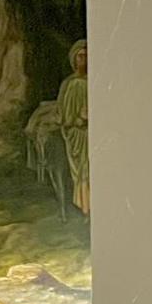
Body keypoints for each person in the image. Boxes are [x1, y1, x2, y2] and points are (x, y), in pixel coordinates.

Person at [57, 40, 90, 216]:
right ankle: (85, 208)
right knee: (83, 171)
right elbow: (64, 114)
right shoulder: (70, 84)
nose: (83, 60)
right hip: (77, 134)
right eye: (80, 56)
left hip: (90, 132)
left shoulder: (92, 81)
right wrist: (77, 119)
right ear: (74, 59)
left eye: (86, 56)